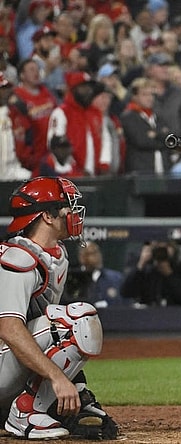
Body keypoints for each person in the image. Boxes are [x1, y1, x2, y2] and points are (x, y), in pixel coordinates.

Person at [0, 177, 117, 440]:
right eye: (67, 207)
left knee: (63, 321)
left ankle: (41, 404)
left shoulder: (54, 254)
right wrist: (58, 377)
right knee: (78, 319)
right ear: (48, 217)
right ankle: (25, 413)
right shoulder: (18, 258)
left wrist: (75, 383)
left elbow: (47, 334)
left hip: (5, 364)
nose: (74, 213)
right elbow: (9, 329)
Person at [121, 240, 181, 306]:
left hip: (176, 316)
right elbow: (126, 293)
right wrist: (141, 265)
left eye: (164, 249)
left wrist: (169, 273)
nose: (160, 253)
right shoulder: (144, 266)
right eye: (156, 248)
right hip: (148, 316)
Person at [65, 241, 125, 308]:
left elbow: (123, 302)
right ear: (82, 257)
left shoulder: (116, 278)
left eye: (98, 252)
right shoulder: (72, 278)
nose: (98, 256)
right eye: (92, 253)